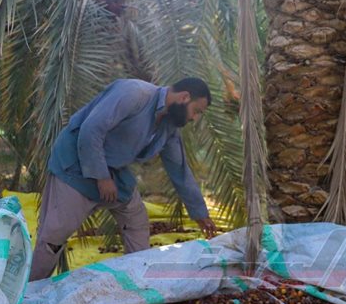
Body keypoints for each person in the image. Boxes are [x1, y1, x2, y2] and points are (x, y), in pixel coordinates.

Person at [28, 76, 219, 281]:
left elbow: (179, 170)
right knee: (54, 237)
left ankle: (136, 281)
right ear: (184, 97)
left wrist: (199, 213)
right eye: (196, 111)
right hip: (76, 165)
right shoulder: (134, 93)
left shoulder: (169, 126)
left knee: (136, 220)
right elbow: (91, 130)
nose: (194, 118)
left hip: (114, 172)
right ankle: (28, 291)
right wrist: (102, 177)